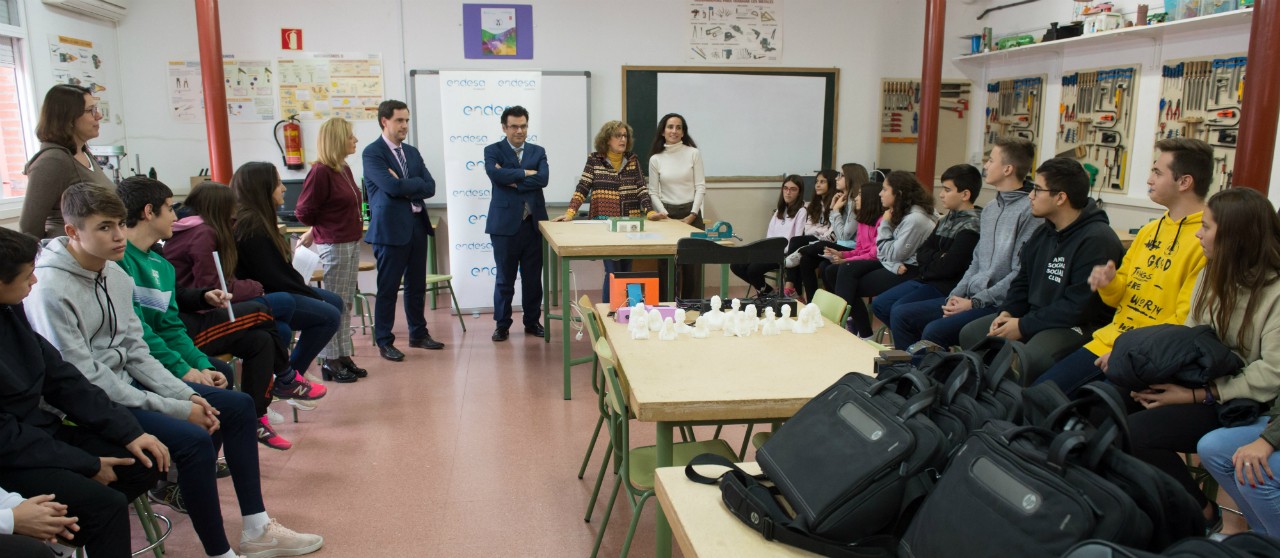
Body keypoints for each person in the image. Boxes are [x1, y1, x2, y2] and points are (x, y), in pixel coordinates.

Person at [23, 183, 323, 558]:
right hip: (87, 405)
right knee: (195, 438)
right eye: (104, 227)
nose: (118, 235)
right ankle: (219, 553)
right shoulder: (50, 288)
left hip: (126, 387)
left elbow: (136, 349)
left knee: (237, 405)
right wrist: (179, 408)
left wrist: (186, 393)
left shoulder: (114, 274)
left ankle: (257, 528)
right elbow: (85, 379)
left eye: (119, 223)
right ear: (72, 232)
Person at [1106, 188, 1280, 534]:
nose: (1199, 233)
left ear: (1236, 237)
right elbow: (1191, 337)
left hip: (1243, 400)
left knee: (1138, 434)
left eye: (1208, 227)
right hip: (1204, 381)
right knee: (1109, 399)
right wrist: (1141, 361)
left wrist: (1198, 394)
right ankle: (1136, 501)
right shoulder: (1213, 271)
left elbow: (1271, 374)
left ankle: (1199, 512)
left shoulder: (1274, 291)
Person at [0, 226, 166, 558]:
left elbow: (63, 379)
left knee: (145, 461)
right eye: (25, 277)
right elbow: (6, 437)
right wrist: (86, 464)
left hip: (38, 436)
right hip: (11, 457)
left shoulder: (10, 310)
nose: (33, 283)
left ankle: (63, 532)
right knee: (107, 506)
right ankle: (62, 530)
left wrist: (128, 431)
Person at [115, 177, 297, 450]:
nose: (176, 216)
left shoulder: (157, 259)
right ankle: (285, 379)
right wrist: (187, 367)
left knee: (263, 338)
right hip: (170, 341)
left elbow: (172, 303)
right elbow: (144, 333)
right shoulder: (122, 263)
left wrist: (203, 296)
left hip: (182, 327)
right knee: (268, 309)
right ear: (149, 212)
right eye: (169, 208)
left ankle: (257, 414)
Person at [1036, 138, 1212, 395]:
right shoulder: (1149, 231)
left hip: (1148, 356)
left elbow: (1183, 323)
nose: (1149, 179)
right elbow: (1117, 299)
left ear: (1184, 182)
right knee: (1041, 392)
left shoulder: (1204, 241)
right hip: (1110, 340)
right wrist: (1109, 284)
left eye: (1157, 172)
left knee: (1086, 413)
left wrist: (1128, 353)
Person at [958, 158, 1123, 380]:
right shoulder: (1043, 232)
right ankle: (987, 397)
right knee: (972, 333)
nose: (1030, 196)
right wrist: (1008, 312)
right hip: (1035, 316)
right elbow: (1022, 281)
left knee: (1032, 357)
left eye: (1037, 189)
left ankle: (1017, 406)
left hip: (1076, 325)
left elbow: (1077, 307)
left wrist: (1023, 326)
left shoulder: (1097, 240)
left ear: (1060, 197)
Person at [888, 137, 1042, 350]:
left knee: (933, 330)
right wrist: (955, 296)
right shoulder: (990, 209)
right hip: (970, 296)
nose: (985, 165)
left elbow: (1018, 274)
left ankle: (928, 378)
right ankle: (912, 376)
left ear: (1007, 169)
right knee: (902, 315)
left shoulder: (1029, 212)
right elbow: (976, 261)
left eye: (991, 160)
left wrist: (974, 302)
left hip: (998, 304)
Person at [229, 162, 336, 401]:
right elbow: (272, 278)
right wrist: (306, 291)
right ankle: (289, 379)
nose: (284, 189)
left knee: (334, 303)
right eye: (278, 183)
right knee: (329, 315)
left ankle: (289, 376)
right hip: (267, 297)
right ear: (262, 188)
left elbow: (278, 273)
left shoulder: (259, 220)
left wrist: (303, 289)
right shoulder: (252, 226)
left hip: (276, 291)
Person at [363, 99, 443, 360]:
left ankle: (418, 333)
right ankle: (385, 340)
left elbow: (430, 187)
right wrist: (411, 185)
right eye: (399, 120)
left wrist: (406, 183)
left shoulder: (411, 152)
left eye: (407, 120)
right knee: (387, 288)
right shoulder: (373, 153)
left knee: (416, 286)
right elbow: (391, 187)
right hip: (390, 231)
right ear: (384, 121)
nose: (405, 125)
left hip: (417, 228)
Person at [553, 120, 665, 303]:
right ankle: (608, 314)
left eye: (625, 136)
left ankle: (624, 311)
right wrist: (570, 212)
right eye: (618, 135)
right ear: (607, 140)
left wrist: (650, 212)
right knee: (613, 270)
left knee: (626, 270)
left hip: (630, 224)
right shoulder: (595, 160)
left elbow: (641, 189)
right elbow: (583, 187)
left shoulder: (632, 160)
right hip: (604, 224)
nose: (622, 139)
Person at [824, 171, 937, 338]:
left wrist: (885, 223)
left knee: (846, 276)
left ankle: (847, 331)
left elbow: (889, 252)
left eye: (884, 189)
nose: (880, 193)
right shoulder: (902, 213)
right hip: (896, 266)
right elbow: (885, 252)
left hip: (909, 271)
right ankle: (861, 332)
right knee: (835, 272)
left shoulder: (914, 219)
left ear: (898, 193)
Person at [872, 164, 982, 336]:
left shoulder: (971, 226)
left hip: (944, 286)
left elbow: (950, 266)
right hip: (926, 277)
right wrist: (938, 256)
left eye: (947, 189)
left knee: (900, 312)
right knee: (880, 304)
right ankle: (917, 345)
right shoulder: (946, 220)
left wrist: (933, 257)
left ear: (965, 194)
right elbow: (922, 252)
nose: (940, 194)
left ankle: (916, 356)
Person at [296, 117, 366, 381]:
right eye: (350, 136)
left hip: (349, 242)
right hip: (334, 244)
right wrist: (318, 228)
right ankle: (329, 359)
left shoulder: (343, 168)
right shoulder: (321, 171)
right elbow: (305, 211)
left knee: (345, 302)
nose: (355, 140)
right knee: (334, 303)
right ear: (337, 139)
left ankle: (343, 354)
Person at [483, 105, 549, 342]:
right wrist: (526, 173)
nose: (519, 130)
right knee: (504, 279)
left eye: (523, 125)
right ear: (504, 127)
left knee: (533, 279)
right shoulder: (493, 150)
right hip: (504, 227)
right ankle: (502, 324)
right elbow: (495, 174)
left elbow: (544, 179)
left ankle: (532, 322)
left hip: (533, 225)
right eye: (514, 126)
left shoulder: (538, 151)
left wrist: (513, 178)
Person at [19, 84, 115, 239]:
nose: (99, 116)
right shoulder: (53, 161)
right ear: (68, 118)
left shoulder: (83, 152)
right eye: (91, 111)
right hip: (68, 255)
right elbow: (29, 228)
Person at [787, 164, 873, 302]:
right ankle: (812, 304)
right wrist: (835, 207)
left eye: (841, 175)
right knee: (806, 261)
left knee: (819, 246)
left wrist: (834, 210)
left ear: (851, 178)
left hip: (852, 247)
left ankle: (800, 251)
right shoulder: (844, 199)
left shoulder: (855, 202)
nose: (837, 178)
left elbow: (844, 236)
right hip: (840, 244)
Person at [648, 113, 707, 299]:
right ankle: (667, 310)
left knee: (693, 269)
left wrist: (692, 214)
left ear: (683, 132)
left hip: (691, 214)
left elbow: (700, 187)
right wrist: (664, 214)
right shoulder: (656, 158)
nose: (674, 131)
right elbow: (653, 192)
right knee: (667, 268)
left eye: (678, 127)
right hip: (666, 215)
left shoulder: (693, 153)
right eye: (670, 127)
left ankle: (692, 308)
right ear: (663, 131)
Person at [729, 175, 807, 295]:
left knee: (753, 270)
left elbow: (796, 240)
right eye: (785, 188)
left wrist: (775, 252)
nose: (788, 192)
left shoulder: (801, 211)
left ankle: (764, 293)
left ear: (799, 192)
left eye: (793, 189)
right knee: (736, 265)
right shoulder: (778, 211)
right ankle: (768, 291)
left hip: (785, 253)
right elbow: (770, 236)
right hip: (770, 251)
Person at [781, 170, 838, 298]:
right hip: (814, 240)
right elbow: (808, 229)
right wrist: (817, 233)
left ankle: (790, 286)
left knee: (796, 241)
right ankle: (809, 301)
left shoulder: (836, 204)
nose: (817, 185)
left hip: (828, 242)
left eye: (822, 182)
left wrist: (819, 234)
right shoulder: (814, 205)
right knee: (805, 260)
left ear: (831, 184)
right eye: (817, 182)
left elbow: (834, 232)